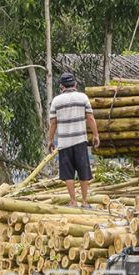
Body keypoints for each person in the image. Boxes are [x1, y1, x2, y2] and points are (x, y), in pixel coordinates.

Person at [47, 72, 100, 208]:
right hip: (80, 140)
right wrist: (95, 135)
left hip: (64, 143)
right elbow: (90, 118)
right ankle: (84, 201)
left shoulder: (56, 101)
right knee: (83, 171)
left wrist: (50, 140)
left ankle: (73, 201)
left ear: (61, 86)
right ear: (75, 84)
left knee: (68, 173)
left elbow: (53, 123)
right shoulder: (83, 98)